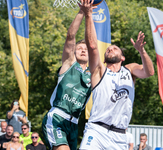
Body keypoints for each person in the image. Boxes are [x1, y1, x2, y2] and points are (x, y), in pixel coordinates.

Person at [79, 0, 154, 149]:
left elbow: (149, 72)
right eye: (108, 49)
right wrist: (88, 15)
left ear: (123, 57)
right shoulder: (99, 71)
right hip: (97, 131)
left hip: (120, 137)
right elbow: (92, 46)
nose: (110, 49)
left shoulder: (129, 70)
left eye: (115, 48)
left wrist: (142, 51)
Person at [41, 4, 91, 150]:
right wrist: (82, 11)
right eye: (80, 48)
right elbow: (70, 36)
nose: (83, 50)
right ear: (74, 53)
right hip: (57, 117)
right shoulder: (69, 64)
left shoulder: (93, 74)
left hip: (74, 124)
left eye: (86, 48)